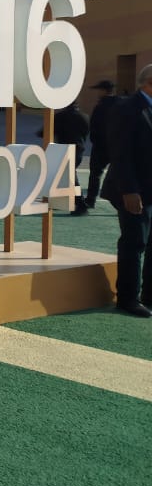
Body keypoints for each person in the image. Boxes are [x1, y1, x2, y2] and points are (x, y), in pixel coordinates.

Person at [100, 63, 152, 318]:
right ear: (148, 83)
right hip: (131, 191)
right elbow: (120, 155)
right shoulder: (126, 109)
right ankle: (128, 298)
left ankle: (148, 295)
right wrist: (130, 191)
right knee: (134, 243)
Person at [51, 101, 89, 215]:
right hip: (79, 148)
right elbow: (86, 132)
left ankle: (81, 204)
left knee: (71, 177)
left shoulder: (60, 116)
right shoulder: (84, 116)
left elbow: (45, 131)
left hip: (64, 149)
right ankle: (61, 200)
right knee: (69, 175)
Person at [84, 79, 118, 210]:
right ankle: (122, 202)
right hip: (117, 146)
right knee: (119, 174)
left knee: (95, 174)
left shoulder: (100, 106)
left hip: (101, 147)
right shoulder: (121, 103)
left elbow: (94, 126)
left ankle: (91, 200)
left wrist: (95, 141)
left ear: (104, 91)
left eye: (99, 89)